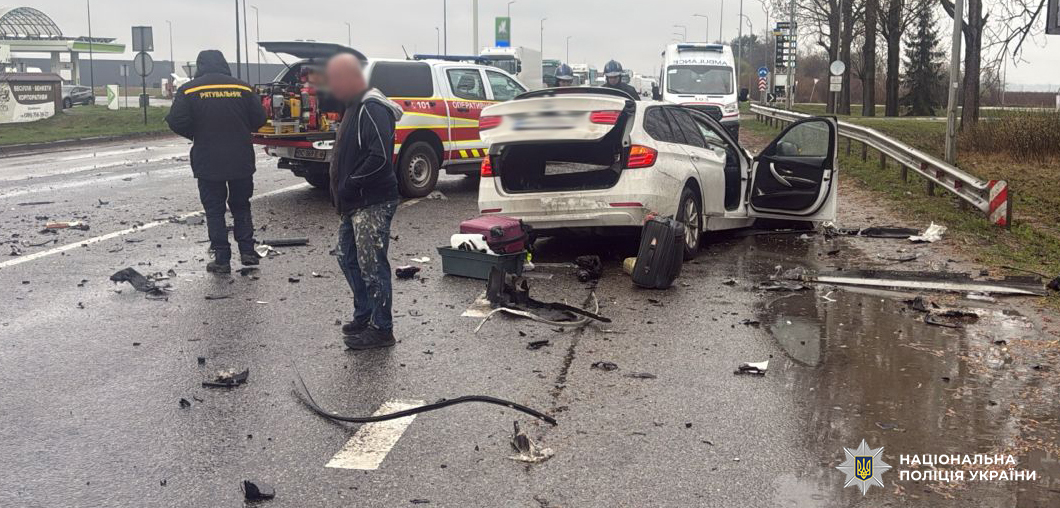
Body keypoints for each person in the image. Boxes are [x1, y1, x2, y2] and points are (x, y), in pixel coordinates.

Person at [324, 53, 404, 350]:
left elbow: (379, 158)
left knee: (372, 265)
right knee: (346, 256)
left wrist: (349, 183)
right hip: (353, 202)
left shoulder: (372, 108)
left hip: (372, 201)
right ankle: (365, 314)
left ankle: (382, 329)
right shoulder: (353, 106)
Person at [165, 50, 267, 274]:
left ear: (200, 65)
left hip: (208, 159)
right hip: (240, 157)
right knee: (241, 205)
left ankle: (222, 259)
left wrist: (196, 133)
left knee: (214, 209)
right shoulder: (243, 88)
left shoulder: (189, 90)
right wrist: (241, 129)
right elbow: (260, 118)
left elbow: (175, 120)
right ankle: (248, 252)